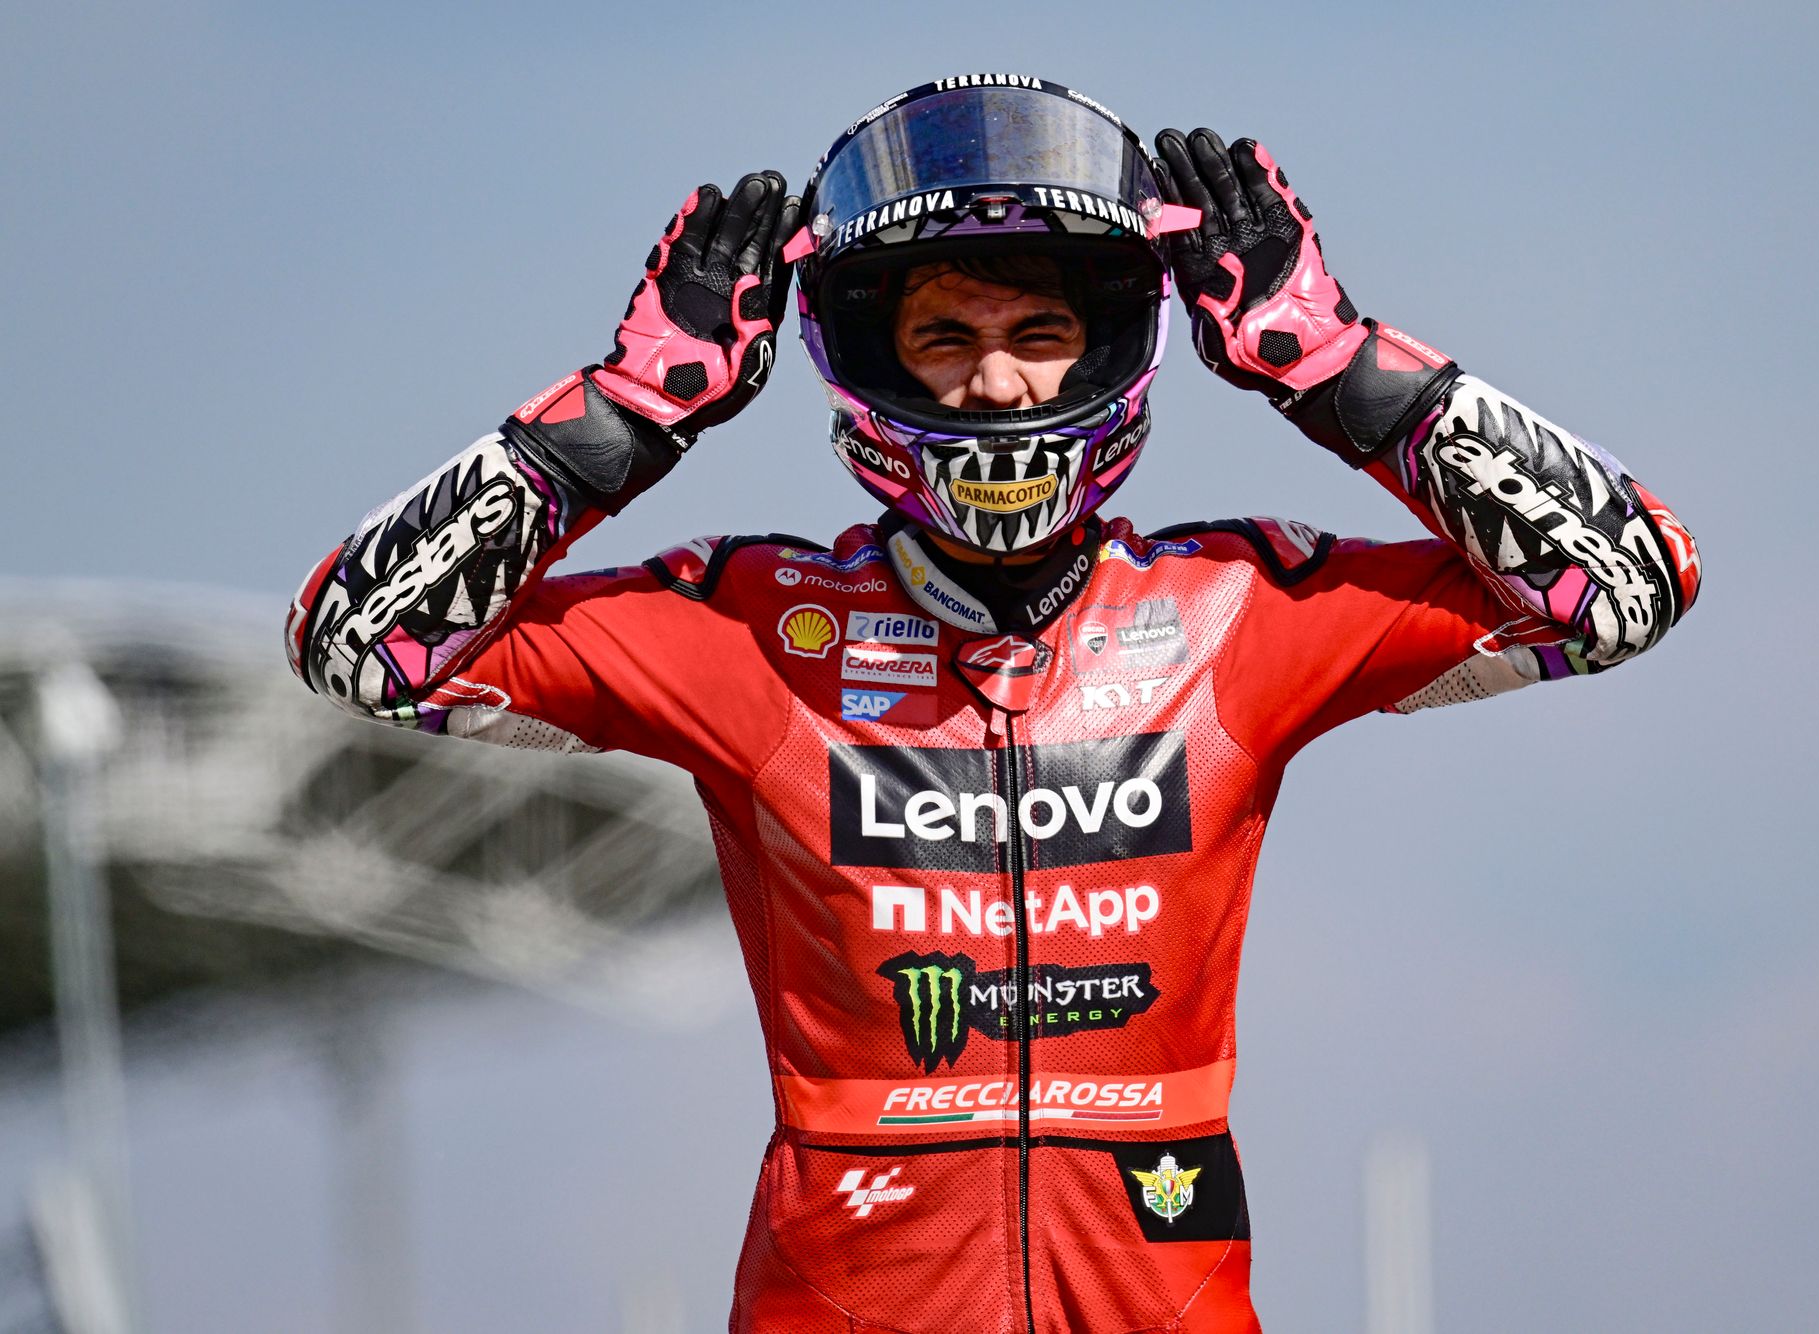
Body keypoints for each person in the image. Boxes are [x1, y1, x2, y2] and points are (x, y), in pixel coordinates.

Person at [287, 75, 1700, 1333]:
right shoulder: (749, 627)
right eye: (944, 335)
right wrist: (625, 412)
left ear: (1108, 347)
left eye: (1040, 330)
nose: (997, 380)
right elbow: (361, 642)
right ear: (873, 356)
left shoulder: (1238, 609)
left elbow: (1625, 582)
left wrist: (1331, 365)